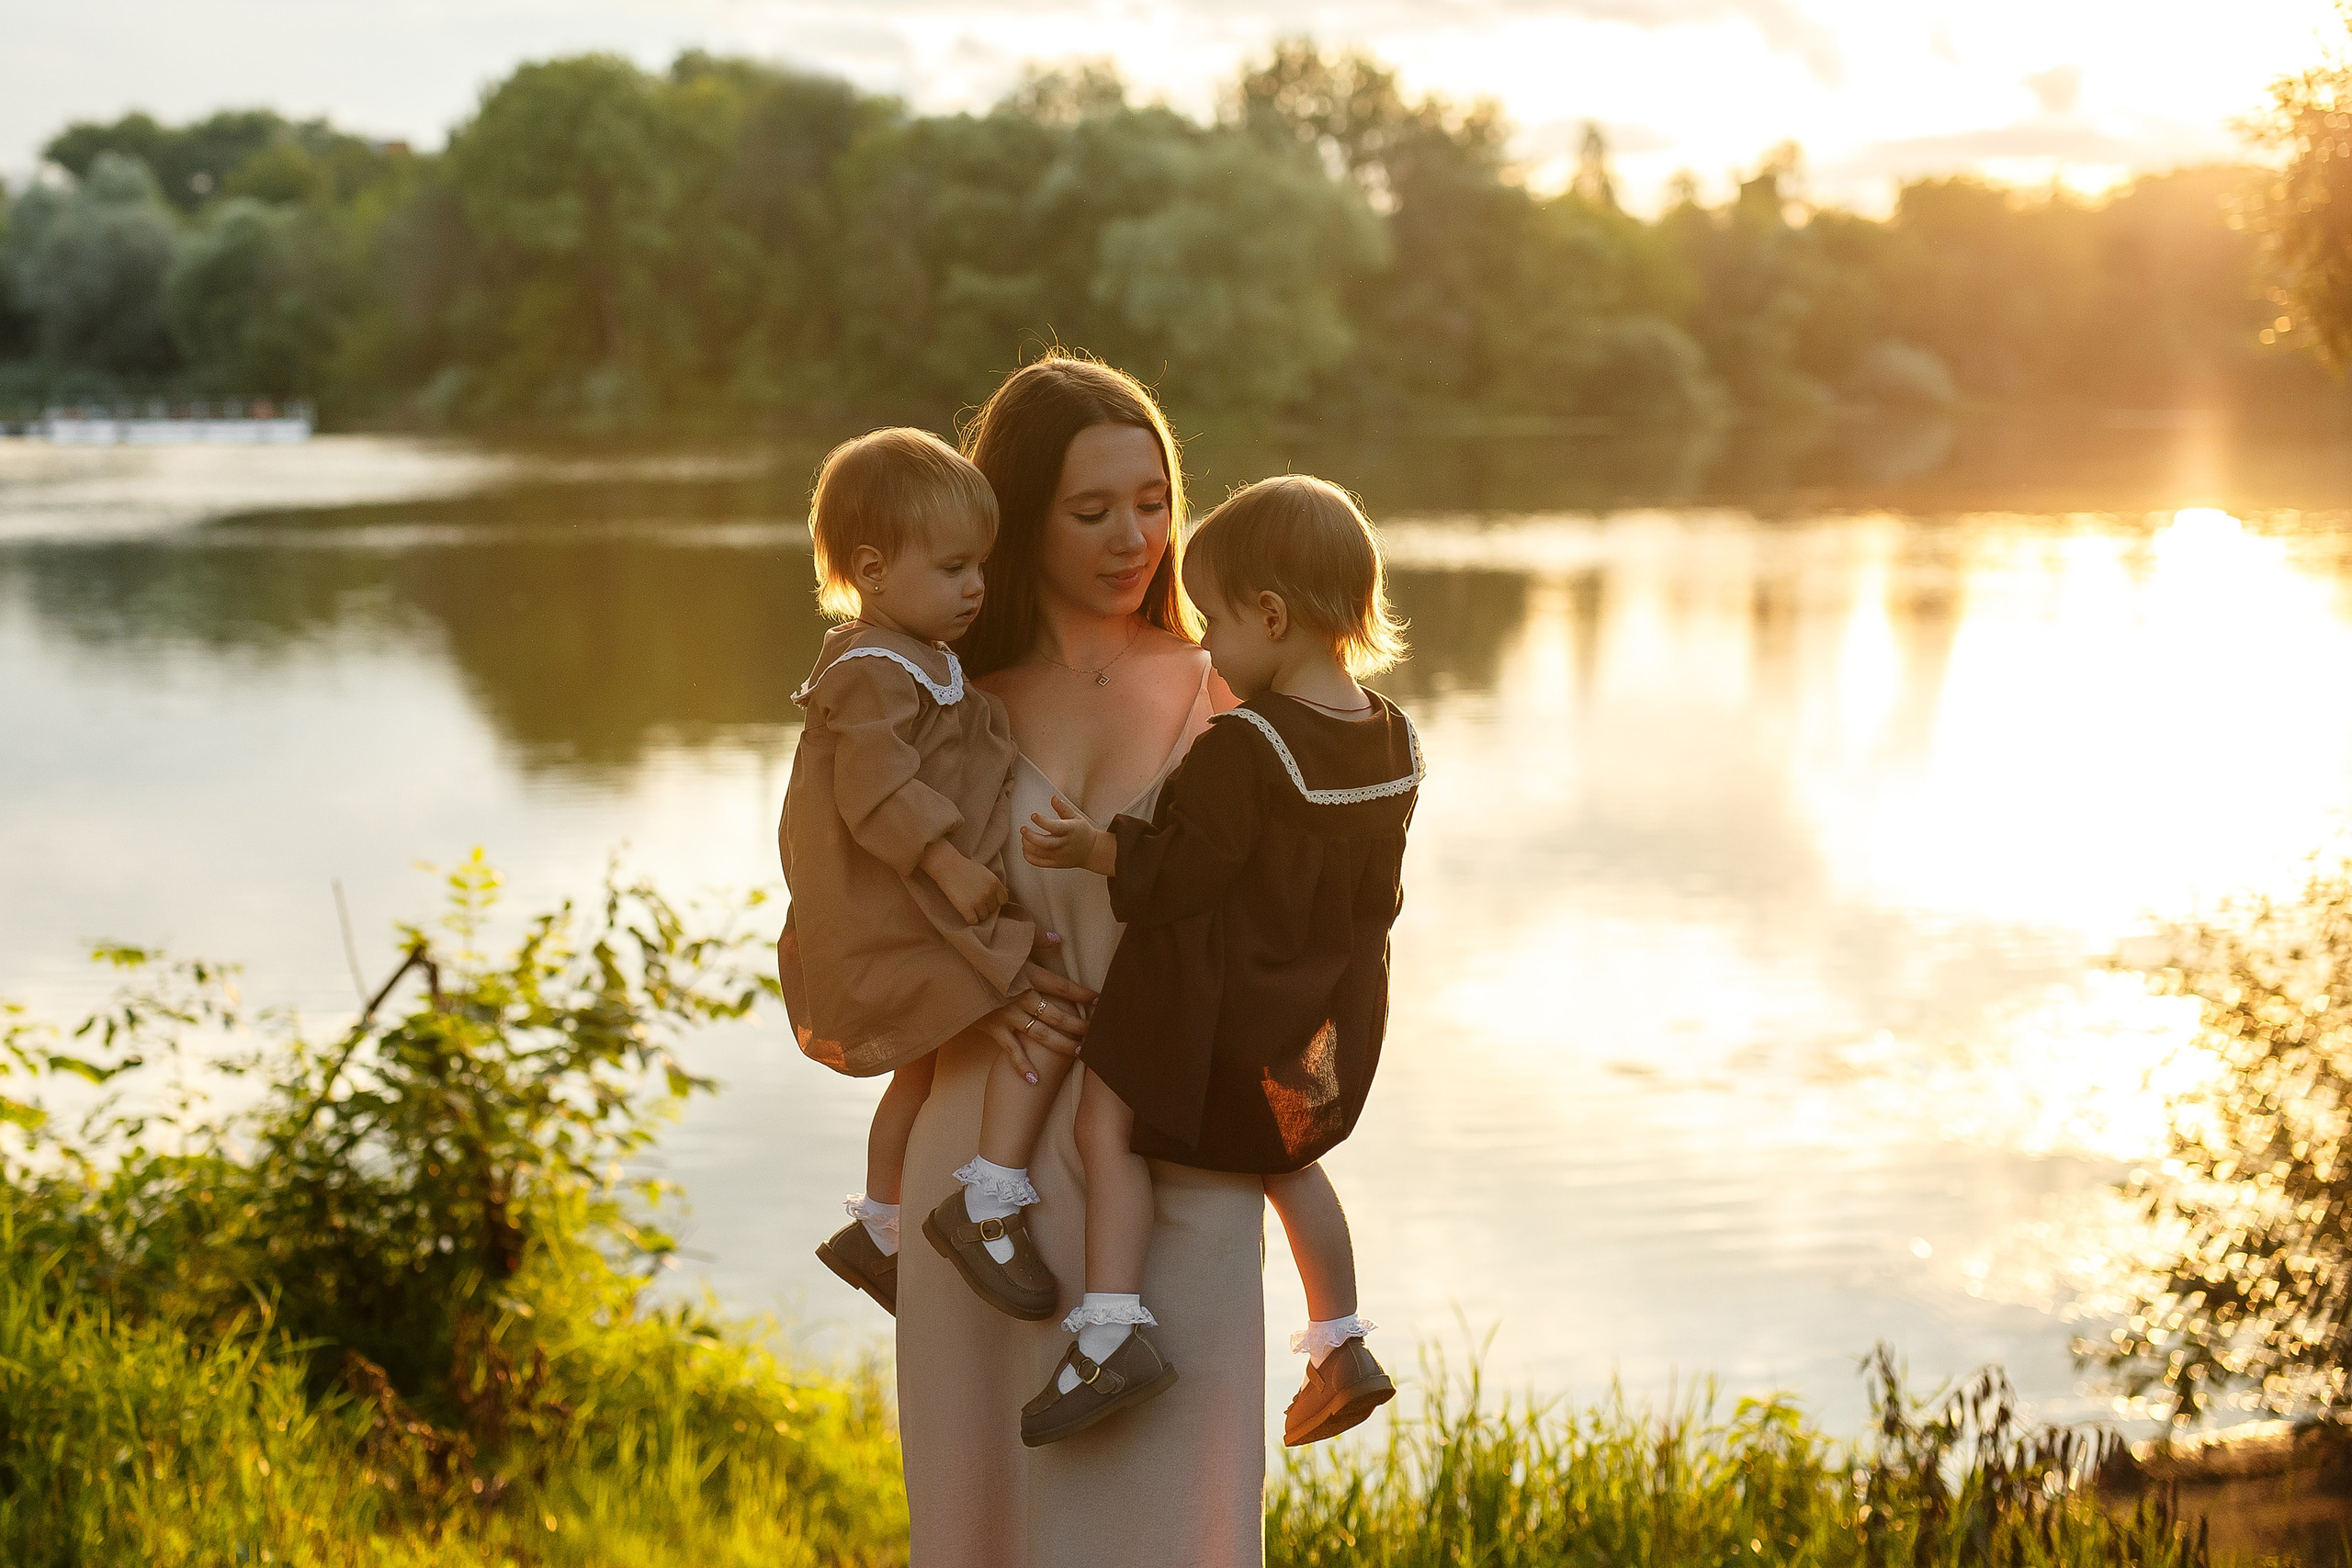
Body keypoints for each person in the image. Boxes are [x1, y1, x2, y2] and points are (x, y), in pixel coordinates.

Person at [894, 353, 1268, 1568]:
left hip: (1173, 1154)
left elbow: (1307, 926)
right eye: (1091, 508)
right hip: (982, 1181)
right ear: (1017, 515)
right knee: (982, 1520)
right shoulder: (941, 697)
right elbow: (859, 922)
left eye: (1153, 500)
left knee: (1171, 1522)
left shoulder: (1233, 690)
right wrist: (974, 992)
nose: (1135, 536)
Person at [1018, 475, 1419, 1449]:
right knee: (1294, 1161)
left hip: (1214, 1004)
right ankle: (1338, 1345)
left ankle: (1110, 1329)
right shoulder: (1394, 738)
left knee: (1101, 1127)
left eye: (1217, 624)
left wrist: (1094, 848)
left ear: (1273, 617)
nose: (1206, 647)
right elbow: (1381, 901)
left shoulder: (1246, 745)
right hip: (1316, 1009)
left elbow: (1176, 876)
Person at [777, 427, 1093, 1323]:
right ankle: (971, 1205)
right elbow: (876, 788)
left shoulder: (922, 656)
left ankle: (880, 1223)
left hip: (919, 893)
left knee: (915, 1075)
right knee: (1019, 1025)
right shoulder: (871, 668)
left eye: (981, 567)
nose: (976, 588)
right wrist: (950, 862)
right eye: (954, 569)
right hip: (899, 897)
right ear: (872, 570)